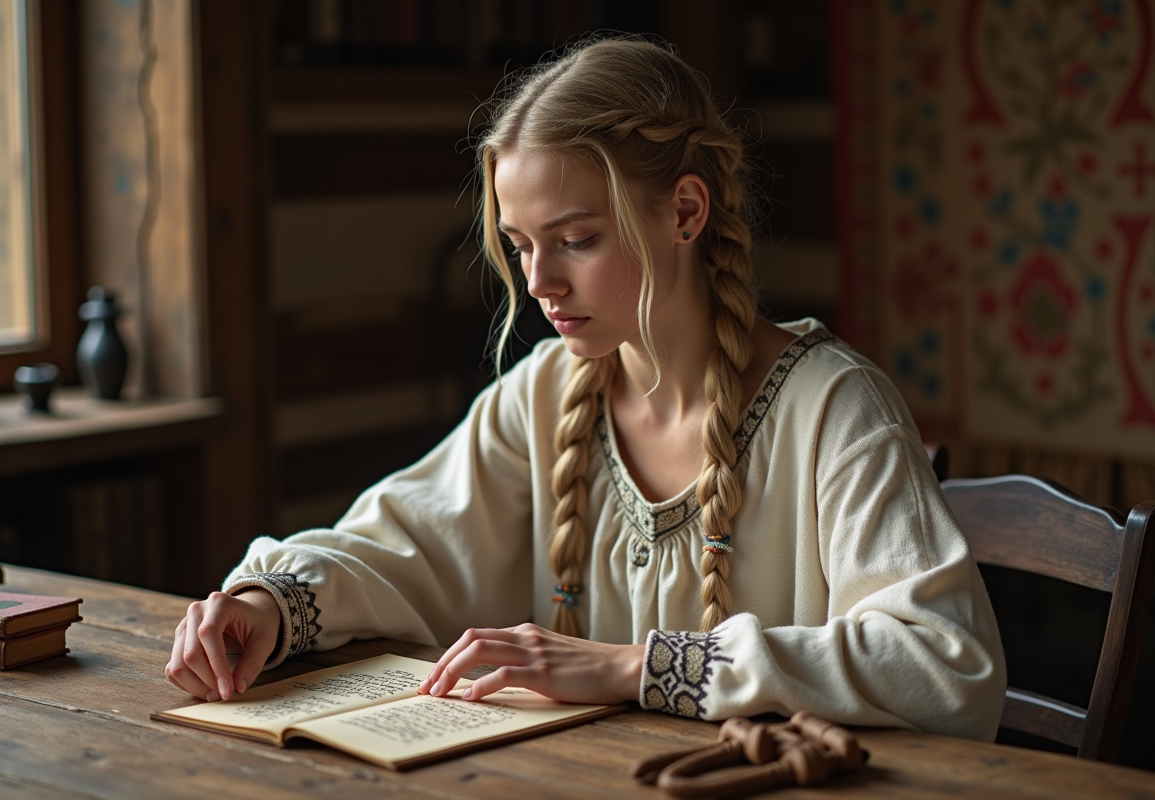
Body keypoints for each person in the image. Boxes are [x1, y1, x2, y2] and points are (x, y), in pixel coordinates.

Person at [165, 37, 1006, 741]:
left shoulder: (832, 409)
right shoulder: (544, 398)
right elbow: (399, 542)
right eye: (521, 245)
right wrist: (268, 602)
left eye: (575, 240)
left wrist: (632, 667)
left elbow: (945, 663)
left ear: (684, 212)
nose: (539, 283)